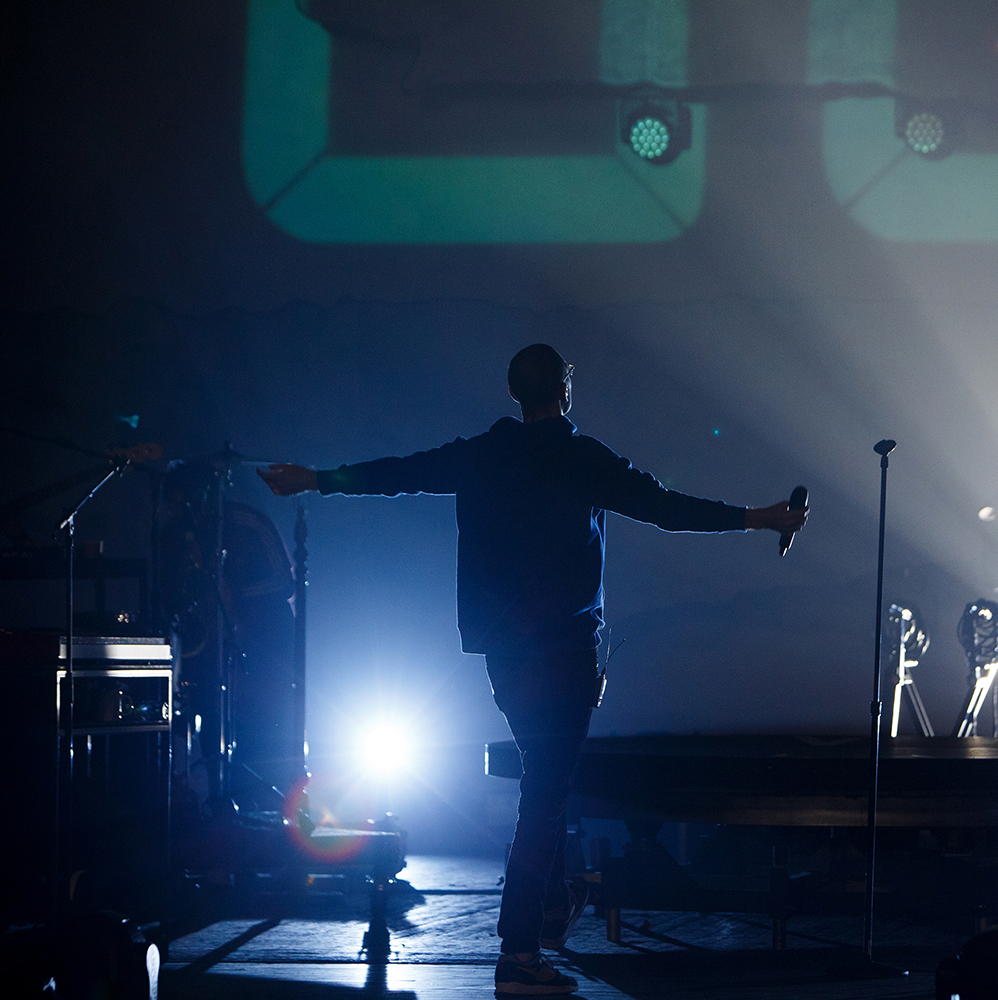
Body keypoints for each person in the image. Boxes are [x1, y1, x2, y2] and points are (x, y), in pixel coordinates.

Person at [258, 344, 807, 995]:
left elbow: (398, 472)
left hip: (505, 654)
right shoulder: (583, 458)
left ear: (516, 392)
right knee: (544, 797)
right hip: (568, 653)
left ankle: (552, 903)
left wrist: (317, 477)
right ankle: (520, 953)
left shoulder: (481, 454)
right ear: (565, 391)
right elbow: (669, 509)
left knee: (546, 786)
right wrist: (759, 517)